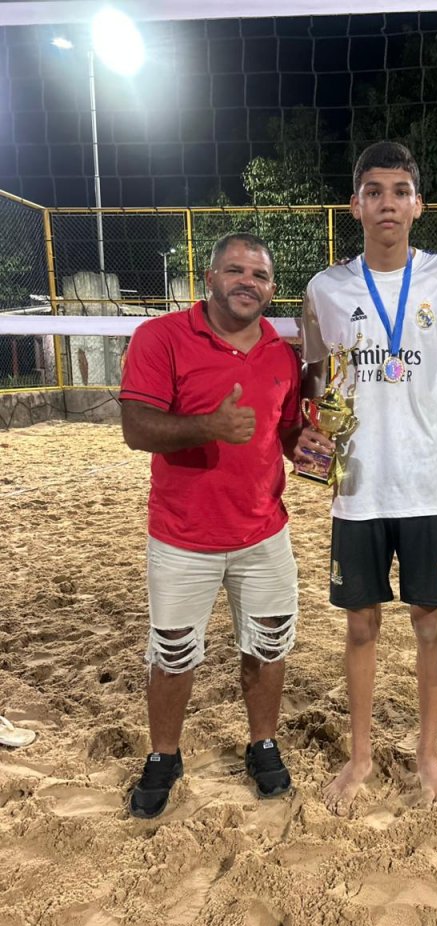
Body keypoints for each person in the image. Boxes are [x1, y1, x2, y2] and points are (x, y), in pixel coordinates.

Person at [296, 141, 437, 815]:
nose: (387, 203)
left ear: (418, 205)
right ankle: (361, 757)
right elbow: (313, 373)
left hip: (427, 486)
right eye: (373, 191)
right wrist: (312, 429)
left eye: (400, 191)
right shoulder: (325, 289)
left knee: (430, 625)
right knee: (361, 627)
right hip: (358, 488)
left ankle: (428, 756)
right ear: (355, 206)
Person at [120, 232, 302, 819]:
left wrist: (312, 447)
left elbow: (286, 432)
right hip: (182, 536)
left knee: (269, 643)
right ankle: (164, 755)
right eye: (235, 270)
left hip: (264, 532)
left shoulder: (281, 352)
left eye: (260, 275)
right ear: (209, 278)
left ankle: (263, 744)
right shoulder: (160, 337)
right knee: (173, 653)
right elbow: (136, 429)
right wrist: (209, 426)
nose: (248, 282)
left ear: (272, 289)